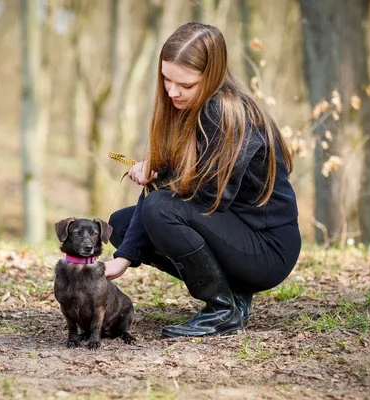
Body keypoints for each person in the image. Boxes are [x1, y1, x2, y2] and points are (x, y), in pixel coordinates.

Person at [104, 22, 301, 338]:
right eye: (166, 79)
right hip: (232, 230)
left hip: (267, 248)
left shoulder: (228, 113)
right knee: (124, 225)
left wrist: (161, 172)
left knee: (159, 209)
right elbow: (173, 192)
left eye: (185, 84)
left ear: (211, 76)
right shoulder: (185, 108)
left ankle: (223, 309)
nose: (172, 91)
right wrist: (124, 256)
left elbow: (208, 198)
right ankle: (234, 296)